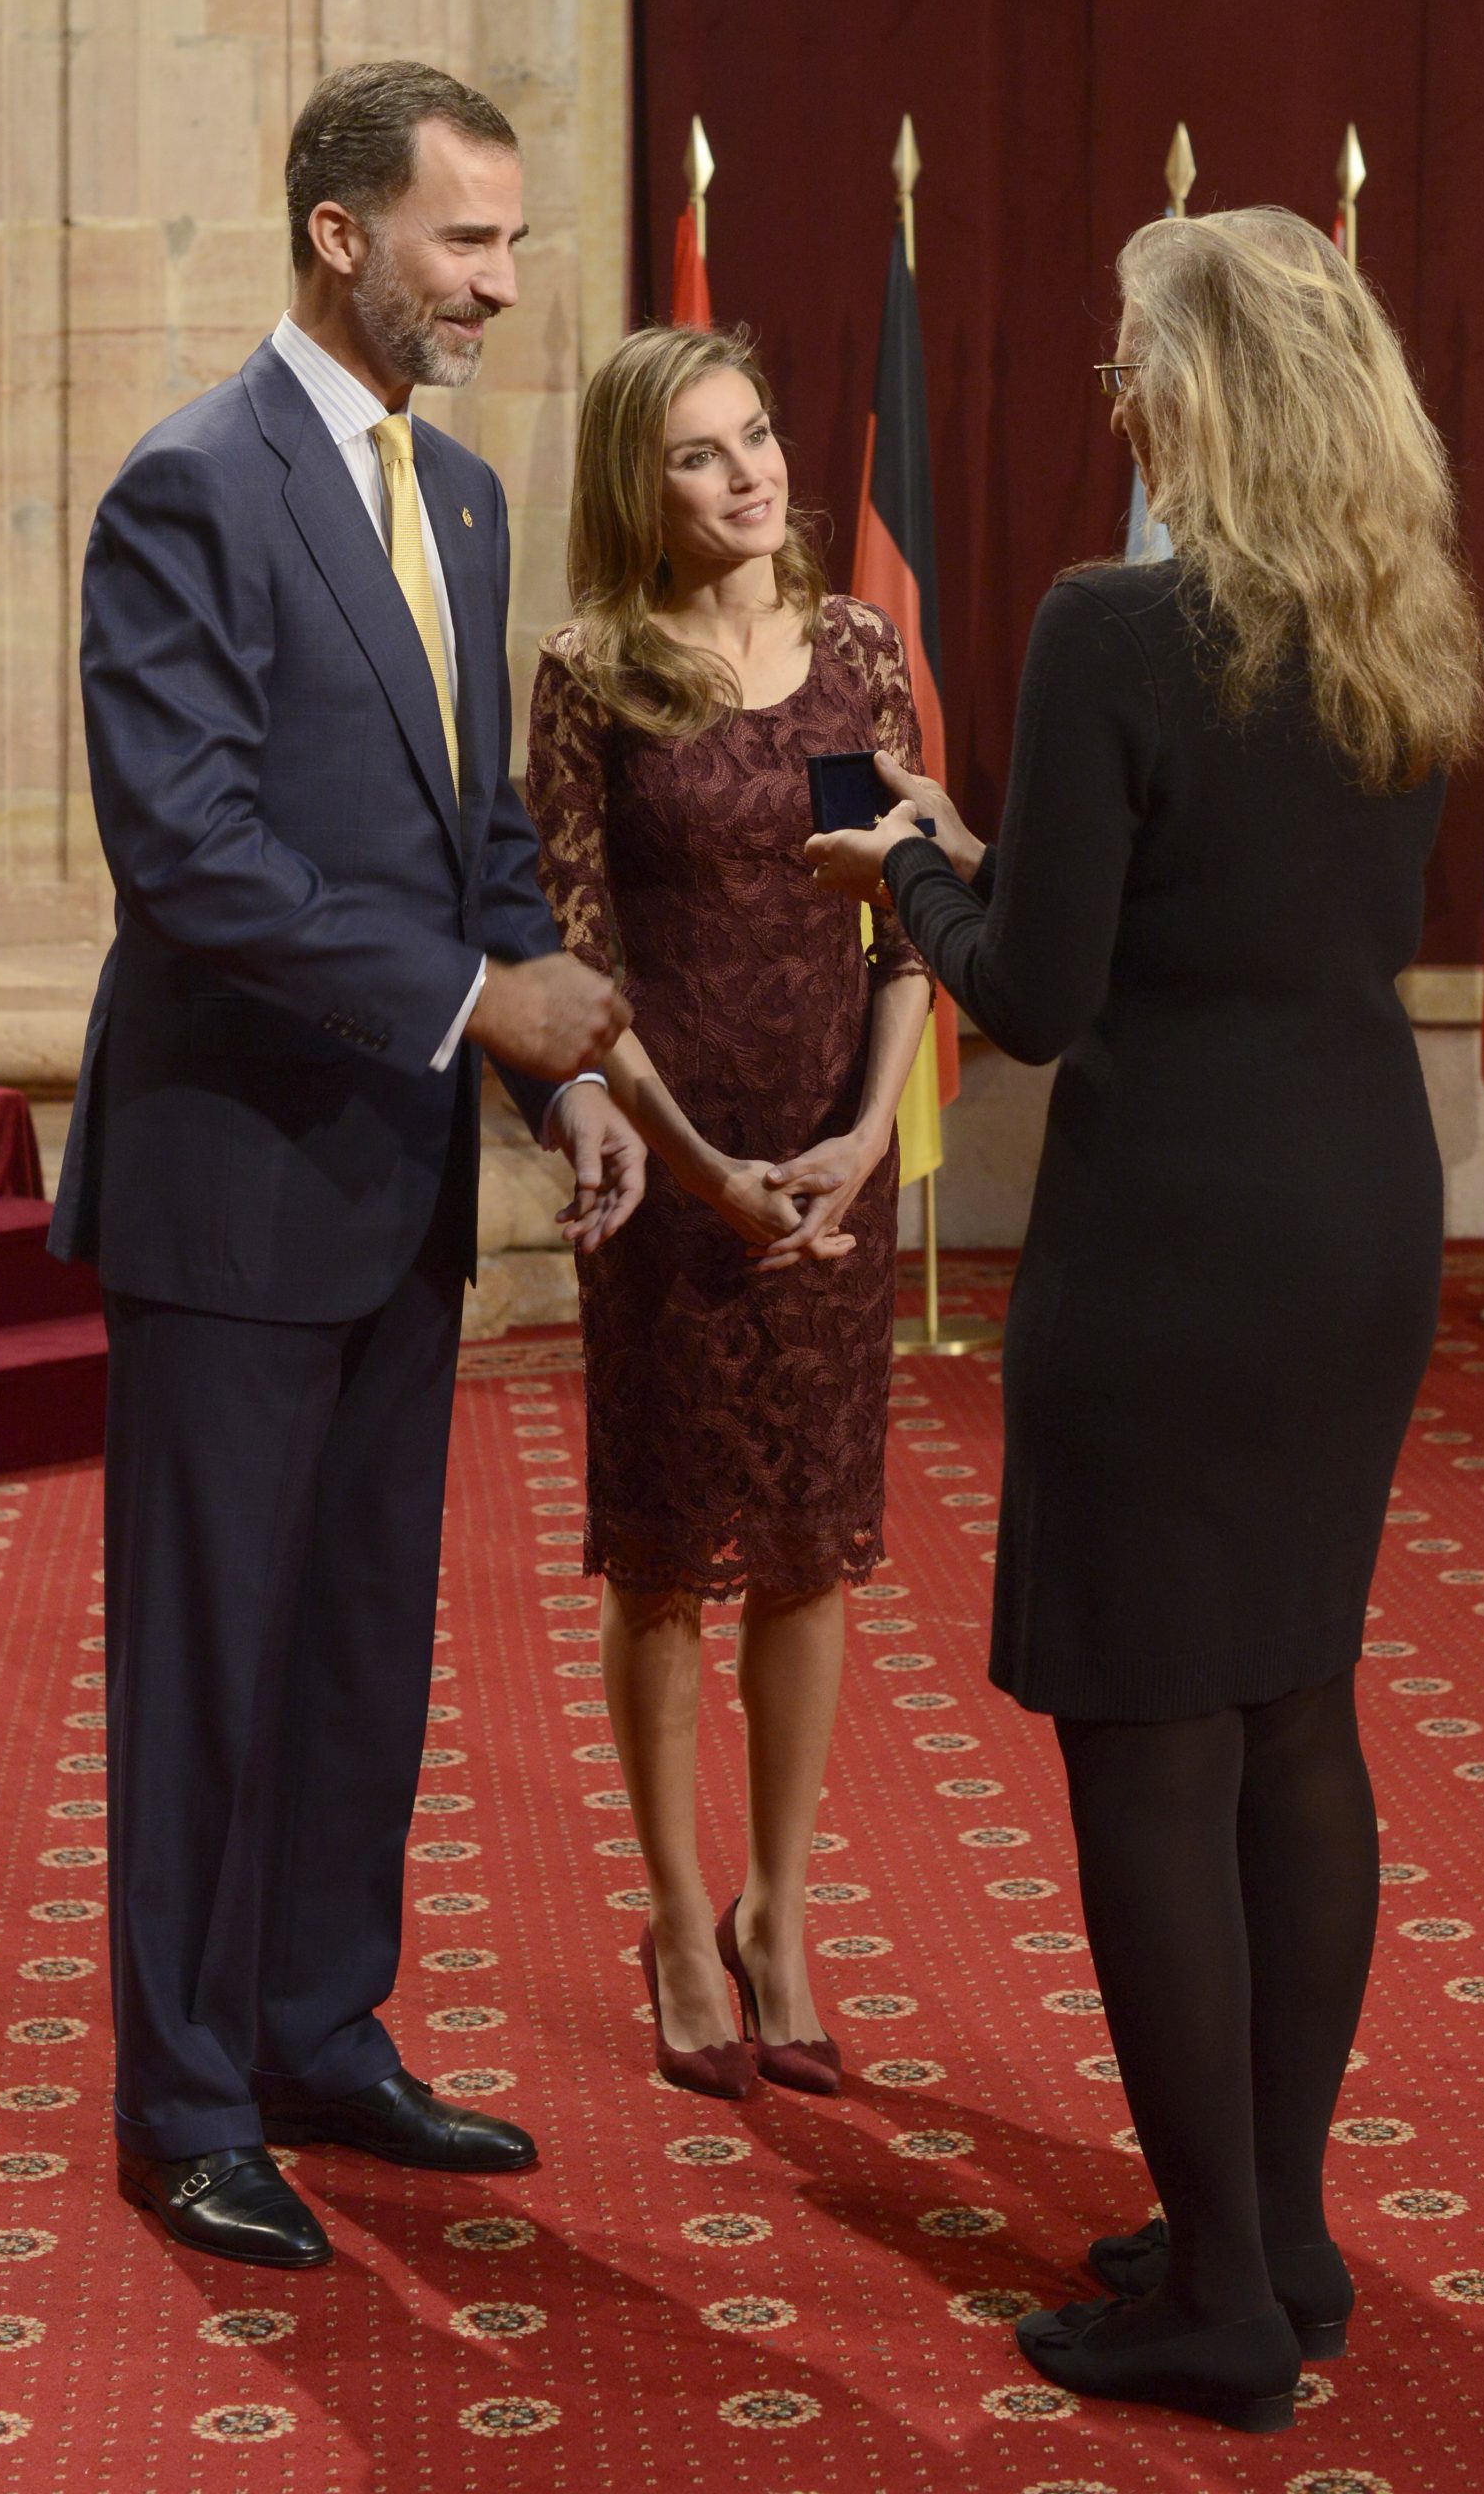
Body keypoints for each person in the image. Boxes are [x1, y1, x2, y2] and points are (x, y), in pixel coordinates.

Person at [809, 209, 1483, 2431]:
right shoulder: (1393, 612)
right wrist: (988, 856)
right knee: (1295, 1709)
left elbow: (1042, 990)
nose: (1116, 394)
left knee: (1152, 1744)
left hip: (1177, 1238)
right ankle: (1270, 2229)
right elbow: (1224, 904)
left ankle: (1216, 2305)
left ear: (1208, 381)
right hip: (1360, 1208)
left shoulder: (1115, 621)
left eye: (1133, 357)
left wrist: (900, 861)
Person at [49, 61, 643, 2271]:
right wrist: (484, 1007)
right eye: (465, 241)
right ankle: (186, 2093)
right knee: (209, 1656)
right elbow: (188, 855)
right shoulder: (190, 487)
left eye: (506, 240)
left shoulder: (463, 498)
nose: (499, 279)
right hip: (226, 1184)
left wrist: (555, 1082)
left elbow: (476, 842)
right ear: (341, 235)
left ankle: (317, 2028)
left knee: (361, 1643)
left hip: (397, 1174)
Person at [523, 325, 933, 2099]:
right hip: (676, 1174)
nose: (751, 470)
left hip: (834, 1164)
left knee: (809, 1545)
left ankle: (783, 1910)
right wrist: (702, 1171)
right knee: (672, 1551)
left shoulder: (853, 655)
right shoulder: (591, 673)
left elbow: (904, 920)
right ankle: (680, 1916)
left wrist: (863, 1142)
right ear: (642, 485)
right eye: (701, 452)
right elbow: (581, 959)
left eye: (757, 433)